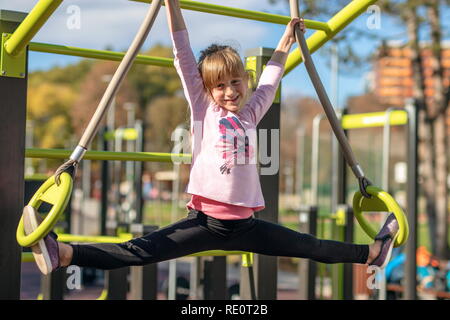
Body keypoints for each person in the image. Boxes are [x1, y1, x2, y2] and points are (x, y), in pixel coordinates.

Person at [22, 0, 399, 276]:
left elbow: (271, 77)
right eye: (220, 86)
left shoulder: (251, 112)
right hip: (204, 223)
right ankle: (64, 254)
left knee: (309, 245)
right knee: (138, 251)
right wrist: (172, 6)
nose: (230, 91)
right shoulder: (206, 111)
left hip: (247, 226)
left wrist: (287, 38)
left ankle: (373, 253)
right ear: (208, 90)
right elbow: (183, 54)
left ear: (244, 82)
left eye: (235, 82)